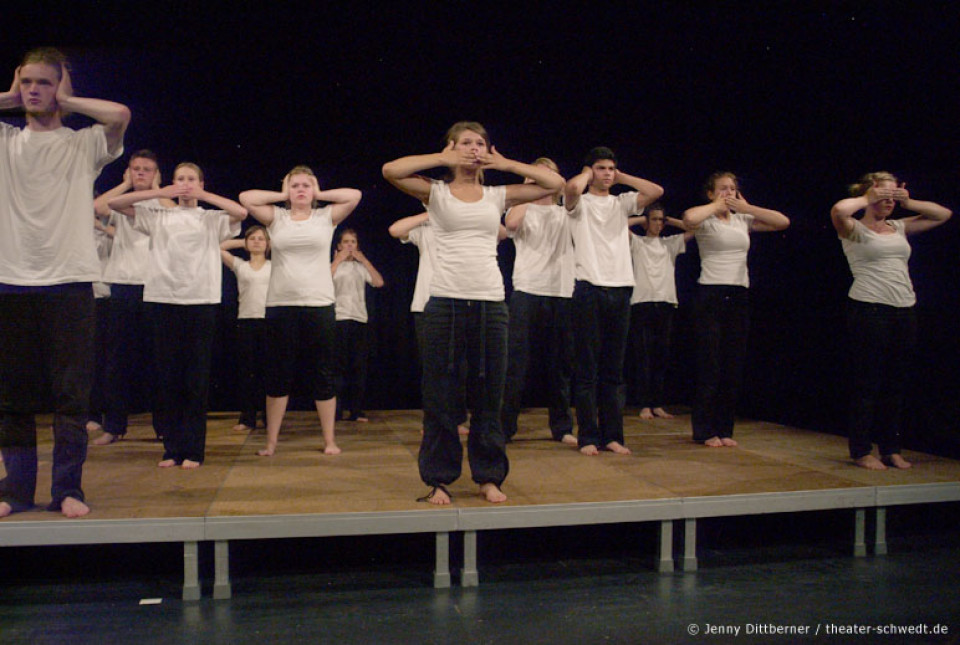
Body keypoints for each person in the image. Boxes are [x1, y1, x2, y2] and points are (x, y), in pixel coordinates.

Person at [382, 120, 564, 504]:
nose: (474, 148)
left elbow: (554, 184)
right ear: (451, 147)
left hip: (489, 301)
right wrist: (442, 158)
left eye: (479, 143)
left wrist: (506, 164)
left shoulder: (498, 195)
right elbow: (391, 170)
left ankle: (489, 475)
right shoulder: (436, 192)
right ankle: (438, 478)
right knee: (440, 394)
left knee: (489, 394)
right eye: (466, 143)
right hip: (445, 301)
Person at [0, 47, 129, 518]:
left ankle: (68, 489)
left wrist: (67, 100)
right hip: (10, 280)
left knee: (71, 395)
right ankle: (15, 490)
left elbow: (120, 115)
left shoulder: (83, 144)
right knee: (11, 396)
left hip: (70, 281)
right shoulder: (6, 140)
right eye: (27, 82)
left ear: (61, 87)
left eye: (44, 82)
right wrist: (12, 96)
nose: (34, 90)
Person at [109, 163, 246, 468]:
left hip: (200, 301)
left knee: (195, 380)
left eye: (191, 179)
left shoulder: (210, 218)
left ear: (201, 182)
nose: (185, 184)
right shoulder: (158, 216)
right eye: (180, 179)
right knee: (168, 378)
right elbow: (115, 204)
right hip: (163, 299)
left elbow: (241, 212)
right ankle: (171, 449)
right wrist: (161, 192)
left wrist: (203, 195)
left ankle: (194, 450)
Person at [830, 172, 951, 470]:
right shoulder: (854, 228)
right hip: (869, 309)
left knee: (895, 383)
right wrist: (866, 197)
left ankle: (891, 448)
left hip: (904, 309)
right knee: (867, 382)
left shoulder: (898, 226)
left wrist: (909, 202)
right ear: (869, 195)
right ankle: (861, 450)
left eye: (893, 196)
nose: (889, 201)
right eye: (884, 195)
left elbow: (943, 214)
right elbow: (839, 210)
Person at [239, 166, 361, 457]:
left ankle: (330, 440)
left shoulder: (325, 217)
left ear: (314, 189)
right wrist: (282, 194)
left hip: (319, 303)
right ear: (287, 189)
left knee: (323, 374)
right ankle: (271, 442)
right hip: (281, 304)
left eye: (306, 185)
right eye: (295, 185)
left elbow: (354, 195)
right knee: (278, 374)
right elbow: (246, 197)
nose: (301, 190)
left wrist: (320, 192)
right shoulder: (276, 217)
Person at [564, 147, 664, 456]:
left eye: (611, 168)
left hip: (621, 288)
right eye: (601, 168)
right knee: (587, 368)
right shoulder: (580, 203)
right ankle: (588, 436)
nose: (607, 173)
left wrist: (621, 177)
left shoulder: (622, 203)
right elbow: (571, 188)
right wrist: (586, 173)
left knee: (614, 369)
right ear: (590, 170)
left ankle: (613, 435)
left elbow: (656, 191)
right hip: (589, 287)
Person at [683, 172, 790, 447]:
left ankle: (725, 429)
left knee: (732, 365)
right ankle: (704, 430)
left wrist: (747, 207)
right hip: (710, 293)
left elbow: (782, 222)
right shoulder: (705, 219)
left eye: (732, 189)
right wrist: (715, 205)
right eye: (723, 189)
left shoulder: (743, 219)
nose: (729, 193)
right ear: (711, 193)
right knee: (710, 364)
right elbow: (689, 218)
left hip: (738, 293)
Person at [90, 150, 174, 445]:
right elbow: (97, 207)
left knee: (159, 360)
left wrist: (156, 189)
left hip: (155, 286)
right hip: (124, 285)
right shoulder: (121, 200)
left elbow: (175, 211)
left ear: (156, 174)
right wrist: (126, 184)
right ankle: (114, 426)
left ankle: (164, 427)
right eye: (135, 168)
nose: (140, 173)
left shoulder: (161, 202)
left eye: (146, 169)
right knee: (117, 361)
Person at [501, 157, 576, 445]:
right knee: (516, 364)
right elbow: (511, 223)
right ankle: (505, 427)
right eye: (537, 175)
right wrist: (529, 189)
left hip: (562, 292)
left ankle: (562, 427)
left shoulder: (566, 211)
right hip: (528, 289)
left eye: (549, 175)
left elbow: (573, 194)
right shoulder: (522, 208)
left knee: (561, 365)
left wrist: (557, 187)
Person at [388, 213, 470, 437]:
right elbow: (395, 230)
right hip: (425, 304)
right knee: (432, 368)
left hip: (458, 302)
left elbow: (500, 234)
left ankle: (457, 419)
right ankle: (433, 421)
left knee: (459, 367)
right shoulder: (426, 229)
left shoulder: (461, 225)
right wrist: (431, 213)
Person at [625, 203, 693, 420]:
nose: (657, 224)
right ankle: (644, 404)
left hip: (665, 303)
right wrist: (642, 219)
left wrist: (670, 220)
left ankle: (657, 403)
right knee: (643, 355)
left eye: (660, 220)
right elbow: (619, 225)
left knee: (661, 356)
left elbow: (697, 229)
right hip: (642, 303)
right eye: (653, 220)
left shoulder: (670, 243)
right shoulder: (638, 242)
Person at [220, 225, 272, 433]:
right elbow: (218, 247)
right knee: (247, 372)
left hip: (269, 322)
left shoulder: (274, 266)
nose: (257, 241)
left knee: (269, 372)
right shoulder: (240, 266)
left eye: (261, 239)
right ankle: (247, 417)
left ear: (268, 244)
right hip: (246, 321)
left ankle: (269, 417)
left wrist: (261, 241)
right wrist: (244, 242)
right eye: (253, 238)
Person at [332, 228, 384, 422]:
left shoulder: (361, 268)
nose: (349, 245)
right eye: (346, 242)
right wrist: (337, 260)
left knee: (358, 367)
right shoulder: (333, 266)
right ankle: (335, 411)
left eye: (353, 242)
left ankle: (356, 411)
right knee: (337, 367)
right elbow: (322, 282)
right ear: (339, 246)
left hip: (359, 319)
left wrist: (364, 260)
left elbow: (379, 282)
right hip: (338, 319)